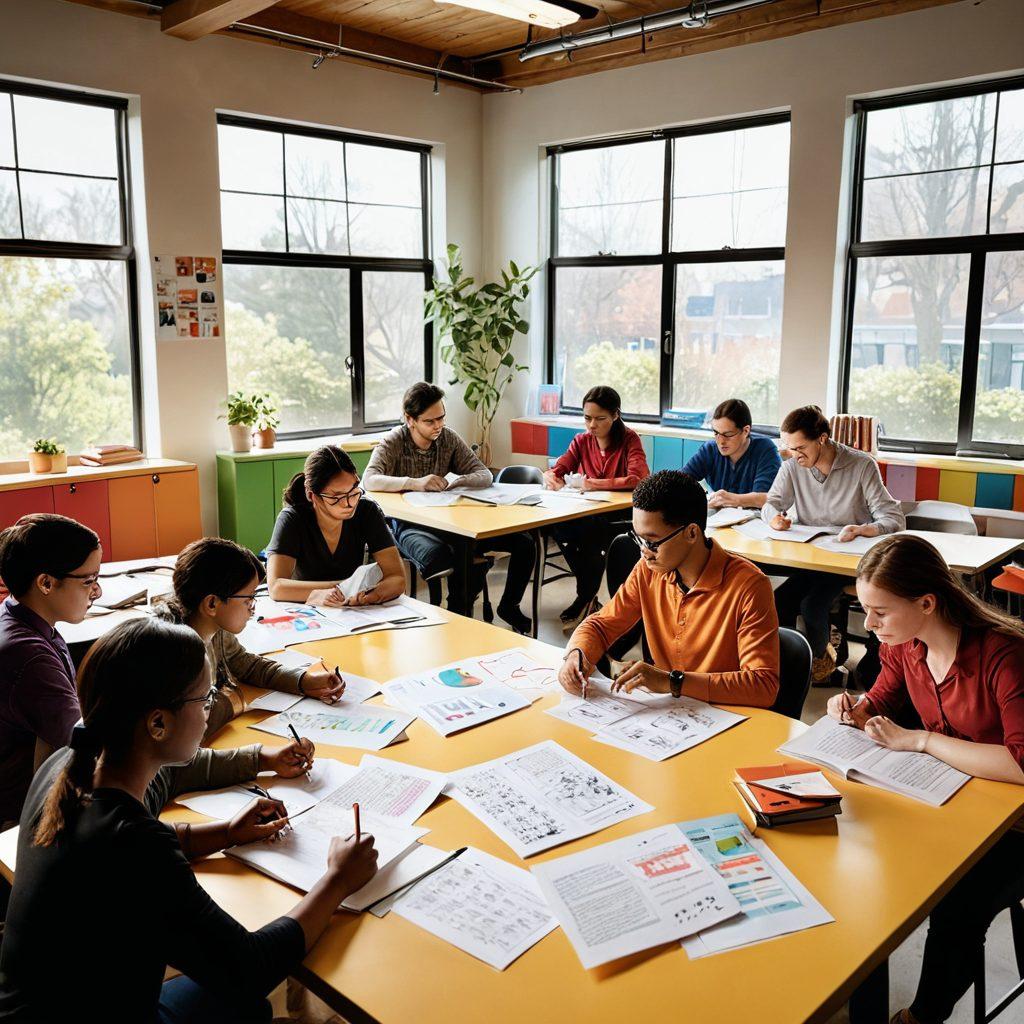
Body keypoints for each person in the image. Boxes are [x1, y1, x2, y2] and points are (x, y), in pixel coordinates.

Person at [0, 616, 378, 1022]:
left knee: (239, 1002)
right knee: (246, 998)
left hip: (36, 1006)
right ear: (158, 723)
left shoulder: (66, 765)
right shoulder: (134, 843)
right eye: (206, 698)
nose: (210, 709)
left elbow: (120, 856)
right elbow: (249, 968)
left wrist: (227, 832)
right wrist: (338, 879)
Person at [823, 534, 1024, 1024]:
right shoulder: (906, 645)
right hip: (953, 805)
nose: (867, 626)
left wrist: (923, 741)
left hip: (1014, 827)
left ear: (927, 603)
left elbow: (1021, 765)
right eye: (863, 610)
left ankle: (924, 1016)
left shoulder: (1004, 656)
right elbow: (884, 698)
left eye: (879, 612)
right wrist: (855, 708)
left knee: (958, 903)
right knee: (858, 857)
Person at [558, 470, 780, 707]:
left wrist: (673, 682)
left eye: (652, 542)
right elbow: (601, 625)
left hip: (726, 714)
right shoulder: (649, 569)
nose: (644, 551)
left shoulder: (749, 586)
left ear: (692, 533)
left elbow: (762, 685)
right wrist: (577, 654)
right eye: (638, 538)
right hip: (669, 714)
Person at [363, 381, 536, 632]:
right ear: (410, 420)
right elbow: (370, 479)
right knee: (455, 554)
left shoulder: (448, 437)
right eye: (430, 421)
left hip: (450, 519)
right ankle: (458, 613)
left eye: (441, 418)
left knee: (524, 543)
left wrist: (456, 482)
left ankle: (505, 605)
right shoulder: (394, 441)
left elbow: (483, 474)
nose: (438, 426)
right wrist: (415, 483)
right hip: (411, 523)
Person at [764, 405, 904, 684]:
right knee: (777, 602)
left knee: (812, 605)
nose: (794, 454)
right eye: (789, 447)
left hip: (847, 560)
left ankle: (822, 664)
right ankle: (791, 665)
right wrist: (774, 520)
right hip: (811, 558)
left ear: (823, 439)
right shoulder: (792, 465)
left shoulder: (861, 464)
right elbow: (771, 503)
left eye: (800, 447)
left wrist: (864, 529)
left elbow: (893, 519)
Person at [156, 537, 345, 739]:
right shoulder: (178, 655)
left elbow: (243, 664)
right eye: (248, 599)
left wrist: (303, 681)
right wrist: (237, 698)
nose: (253, 609)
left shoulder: (212, 625)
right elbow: (189, 735)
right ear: (212, 604)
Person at [0, 514, 100, 829]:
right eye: (88, 580)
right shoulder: (29, 657)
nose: (97, 592)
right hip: (23, 821)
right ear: (46, 583)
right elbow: (89, 748)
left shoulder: (19, 617)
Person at [543, 385, 650, 631]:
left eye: (600, 418)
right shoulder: (581, 440)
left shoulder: (630, 439)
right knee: (556, 525)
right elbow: (558, 468)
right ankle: (588, 596)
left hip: (620, 516)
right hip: (588, 511)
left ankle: (585, 597)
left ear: (615, 415)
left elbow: (638, 479)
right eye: (587, 418)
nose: (592, 425)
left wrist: (592, 484)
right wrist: (552, 476)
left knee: (591, 535)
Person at [266, 445, 406, 608]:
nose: (348, 504)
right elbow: (277, 587)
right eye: (336, 497)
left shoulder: (366, 511)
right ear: (311, 495)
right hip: (306, 611)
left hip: (351, 610)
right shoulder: (292, 519)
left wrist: (370, 596)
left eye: (353, 492)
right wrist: (342, 588)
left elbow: (397, 578)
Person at [681, 397, 781, 510]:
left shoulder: (765, 449)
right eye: (716, 433)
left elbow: (768, 499)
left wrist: (732, 499)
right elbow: (678, 483)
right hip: (720, 518)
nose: (720, 441)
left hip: (755, 520)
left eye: (727, 434)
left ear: (746, 431)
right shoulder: (710, 449)